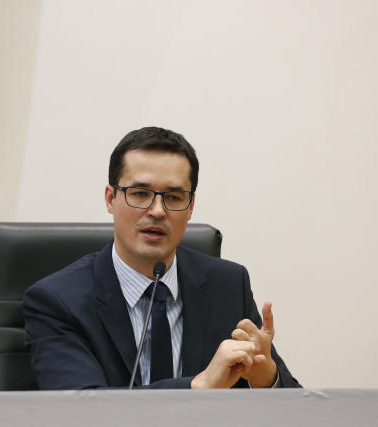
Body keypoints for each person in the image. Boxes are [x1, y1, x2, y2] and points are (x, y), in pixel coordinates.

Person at [23, 126, 300, 389]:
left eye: (174, 197)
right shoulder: (58, 301)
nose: (157, 211)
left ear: (190, 206)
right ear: (110, 199)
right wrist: (197, 386)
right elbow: (79, 409)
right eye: (140, 193)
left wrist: (266, 376)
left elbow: (297, 410)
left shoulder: (227, 286)